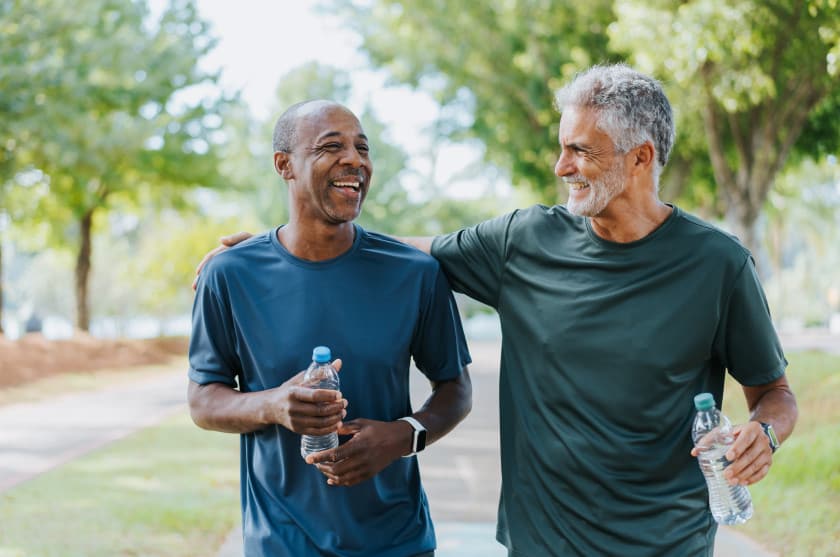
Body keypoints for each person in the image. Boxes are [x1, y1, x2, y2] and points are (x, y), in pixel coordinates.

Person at [196, 65, 798, 556]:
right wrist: (271, 243)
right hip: (542, 544)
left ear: (640, 159)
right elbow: (394, 251)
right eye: (562, 148)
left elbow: (774, 392)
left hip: (670, 543)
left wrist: (764, 433)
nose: (561, 167)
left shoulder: (718, 265)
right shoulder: (525, 241)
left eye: (580, 151)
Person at [188, 99, 472, 557]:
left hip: (398, 542)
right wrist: (274, 405)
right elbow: (203, 401)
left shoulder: (416, 274)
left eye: (362, 148)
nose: (355, 160)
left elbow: (455, 390)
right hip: (281, 543)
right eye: (330, 147)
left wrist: (402, 435)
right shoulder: (230, 275)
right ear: (285, 165)